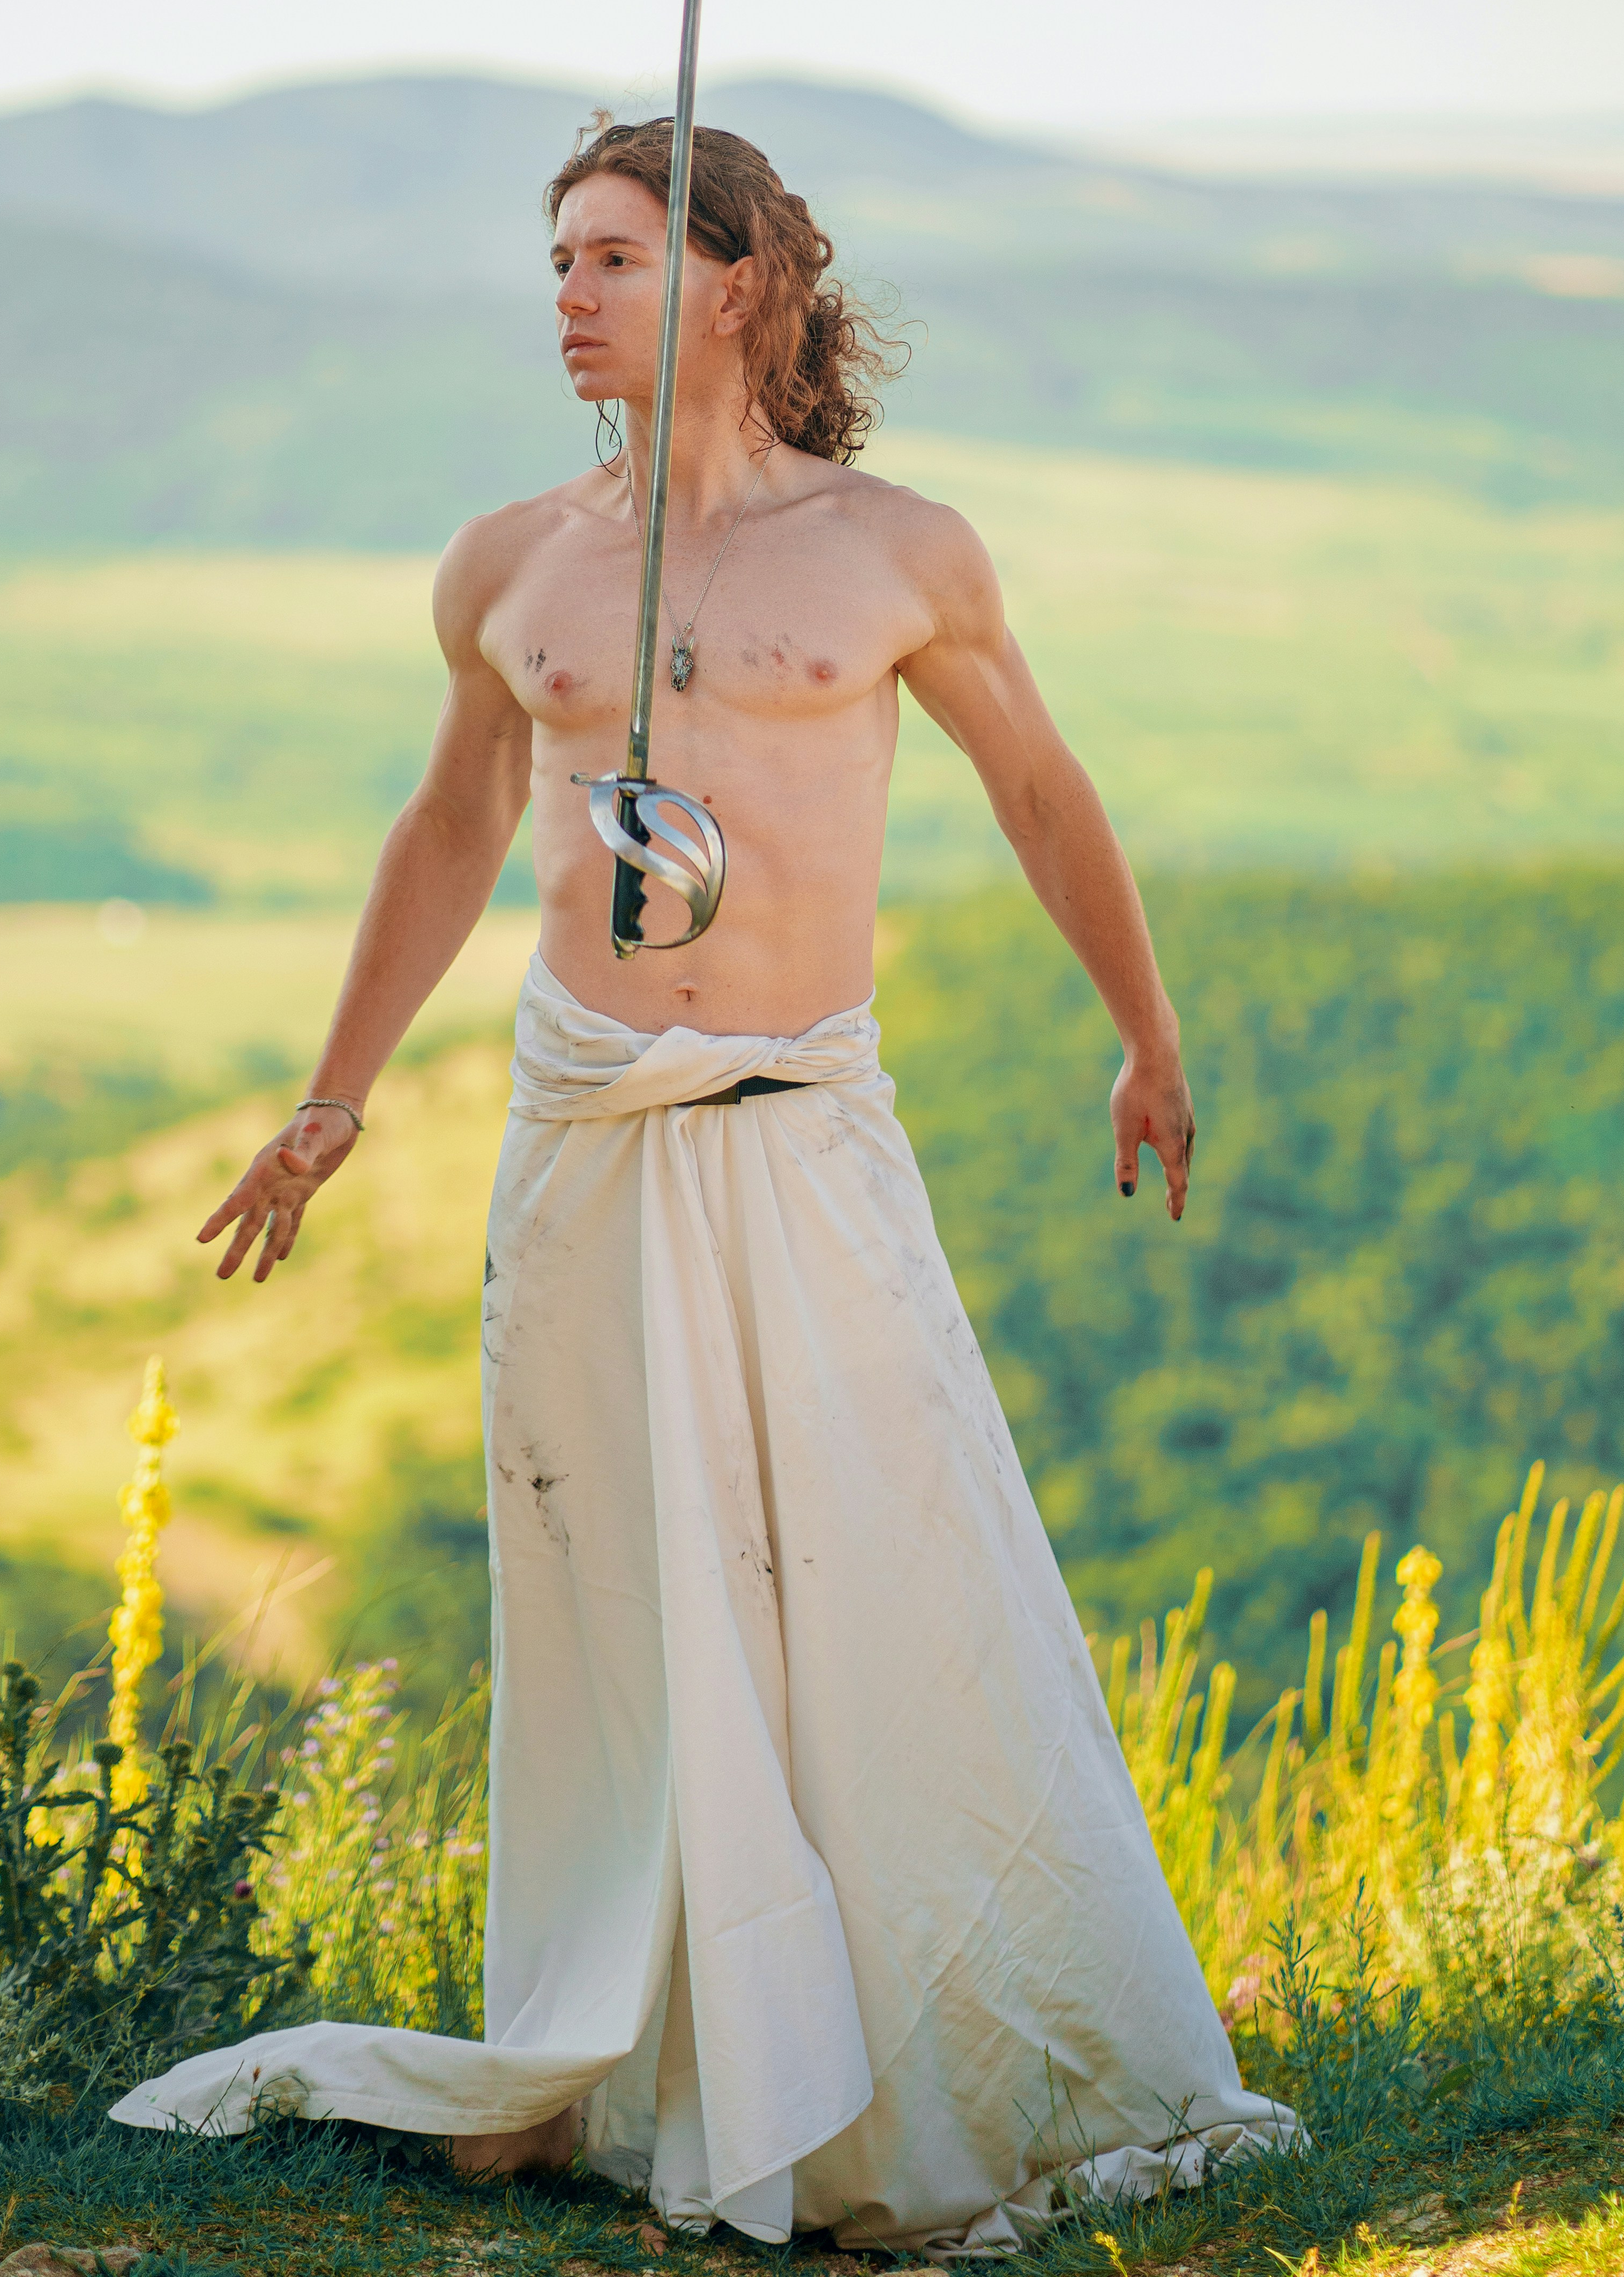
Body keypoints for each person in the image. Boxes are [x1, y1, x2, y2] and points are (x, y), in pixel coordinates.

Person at [111, 116, 1293, 2250]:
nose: (562, 291)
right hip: (577, 1138)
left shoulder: (899, 550)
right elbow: (453, 822)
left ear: (737, 285)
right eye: (555, 258)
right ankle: (643, 2053)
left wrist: (1150, 1032)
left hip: (809, 1128)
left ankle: (885, 2058)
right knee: (620, 1600)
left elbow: (1036, 781)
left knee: (862, 1561)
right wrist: (335, 1091)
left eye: (612, 257)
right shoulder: (507, 561)